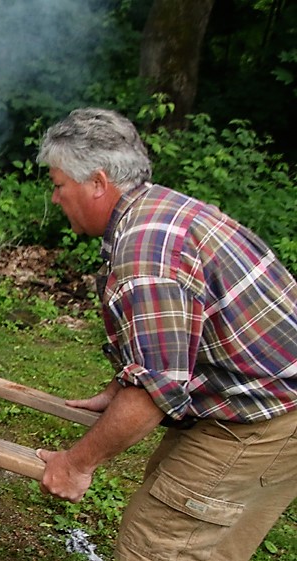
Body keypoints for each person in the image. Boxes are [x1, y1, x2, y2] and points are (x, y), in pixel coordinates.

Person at [34, 107, 297, 560]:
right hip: (271, 404)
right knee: (204, 539)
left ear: (97, 182)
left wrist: (75, 466)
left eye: (59, 185)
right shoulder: (159, 208)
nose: (55, 198)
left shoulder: (146, 253)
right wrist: (122, 385)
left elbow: (157, 391)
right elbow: (181, 338)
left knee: (158, 543)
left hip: (264, 419)